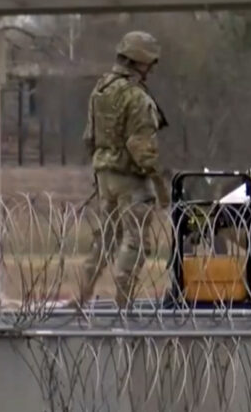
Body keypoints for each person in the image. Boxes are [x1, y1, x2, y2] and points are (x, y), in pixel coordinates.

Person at [75, 30, 169, 309]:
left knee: (106, 236)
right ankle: (123, 300)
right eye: (150, 61)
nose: (151, 67)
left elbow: (89, 137)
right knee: (137, 240)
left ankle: (83, 294)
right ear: (139, 60)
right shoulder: (136, 97)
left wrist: (100, 169)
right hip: (131, 178)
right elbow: (141, 147)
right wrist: (160, 185)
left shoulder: (101, 89)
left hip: (105, 174)